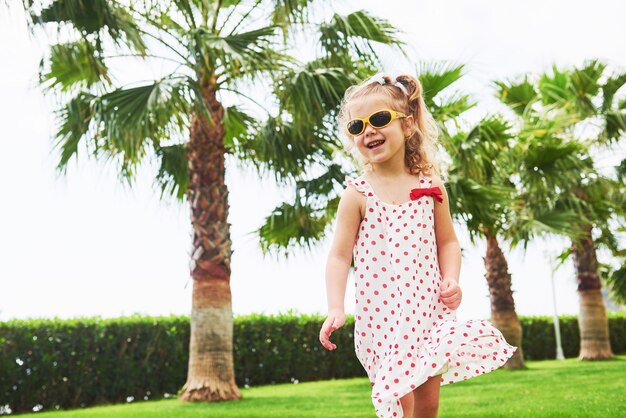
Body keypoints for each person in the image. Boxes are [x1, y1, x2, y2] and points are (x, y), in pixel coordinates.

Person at [318, 72, 517, 418]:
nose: (368, 131)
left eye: (379, 119)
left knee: (427, 404)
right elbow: (338, 256)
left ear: (407, 125)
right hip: (382, 319)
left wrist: (451, 278)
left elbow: (448, 243)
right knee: (400, 401)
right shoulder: (357, 194)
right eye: (356, 126)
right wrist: (336, 306)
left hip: (427, 311)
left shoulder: (430, 185)